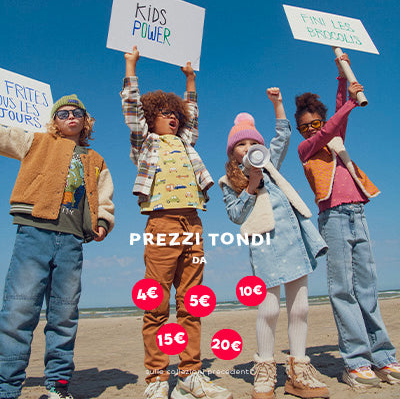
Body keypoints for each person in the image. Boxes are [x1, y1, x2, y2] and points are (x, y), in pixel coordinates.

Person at [121, 46, 232, 399]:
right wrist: (130, 65)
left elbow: (193, 116)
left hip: (193, 223)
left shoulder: (186, 143)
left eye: (175, 114)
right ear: (151, 117)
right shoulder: (145, 142)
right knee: (156, 303)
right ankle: (156, 377)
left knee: (191, 302)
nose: (172, 118)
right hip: (161, 223)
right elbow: (131, 110)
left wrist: (190, 80)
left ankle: (190, 375)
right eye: (165, 113)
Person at [295, 53, 400, 389]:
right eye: (304, 127)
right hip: (333, 218)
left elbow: (337, 118)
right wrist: (351, 103)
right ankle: (355, 362)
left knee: (367, 287)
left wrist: (343, 77)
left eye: (315, 123)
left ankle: (383, 357)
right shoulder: (306, 150)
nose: (311, 130)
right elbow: (330, 126)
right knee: (343, 289)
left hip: (358, 213)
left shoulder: (336, 141)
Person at [0, 94, 115, 399]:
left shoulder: (95, 159)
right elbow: (4, 137)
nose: (70, 117)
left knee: (64, 313)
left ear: (86, 121)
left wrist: (103, 221)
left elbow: (104, 195)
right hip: (33, 233)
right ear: (53, 121)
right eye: (62, 114)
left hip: (72, 241)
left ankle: (58, 385)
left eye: (76, 112)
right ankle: (7, 387)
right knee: (19, 309)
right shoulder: (36, 142)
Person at [219, 88, 329, 399]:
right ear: (232, 153)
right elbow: (235, 216)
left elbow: (283, 136)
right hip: (264, 246)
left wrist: (278, 104)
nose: (248, 148)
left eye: (253, 143)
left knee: (300, 308)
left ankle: (298, 372)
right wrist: (250, 186)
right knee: (268, 309)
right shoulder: (229, 182)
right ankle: (265, 370)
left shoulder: (270, 165)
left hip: (293, 238)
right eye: (241, 144)